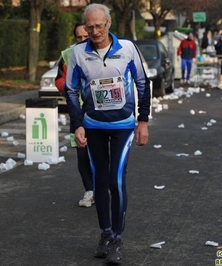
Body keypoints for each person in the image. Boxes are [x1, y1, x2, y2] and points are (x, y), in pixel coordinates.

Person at [65, 3, 150, 264]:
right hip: (93, 126)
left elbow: (143, 83)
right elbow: (70, 91)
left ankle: (118, 238)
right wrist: (78, 124)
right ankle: (106, 233)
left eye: (99, 25)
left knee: (116, 180)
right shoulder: (78, 53)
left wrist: (143, 120)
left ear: (109, 23)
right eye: (89, 26)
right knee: (100, 181)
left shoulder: (126, 48)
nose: (94, 31)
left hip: (123, 125)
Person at [55, 23, 93, 208]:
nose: (83, 40)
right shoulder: (68, 54)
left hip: (100, 111)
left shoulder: (103, 51)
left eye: (86, 36)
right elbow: (59, 79)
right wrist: (69, 86)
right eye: (79, 37)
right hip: (77, 110)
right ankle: (89, 190)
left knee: (103, 153)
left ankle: (104, 188)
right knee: (82, 153)